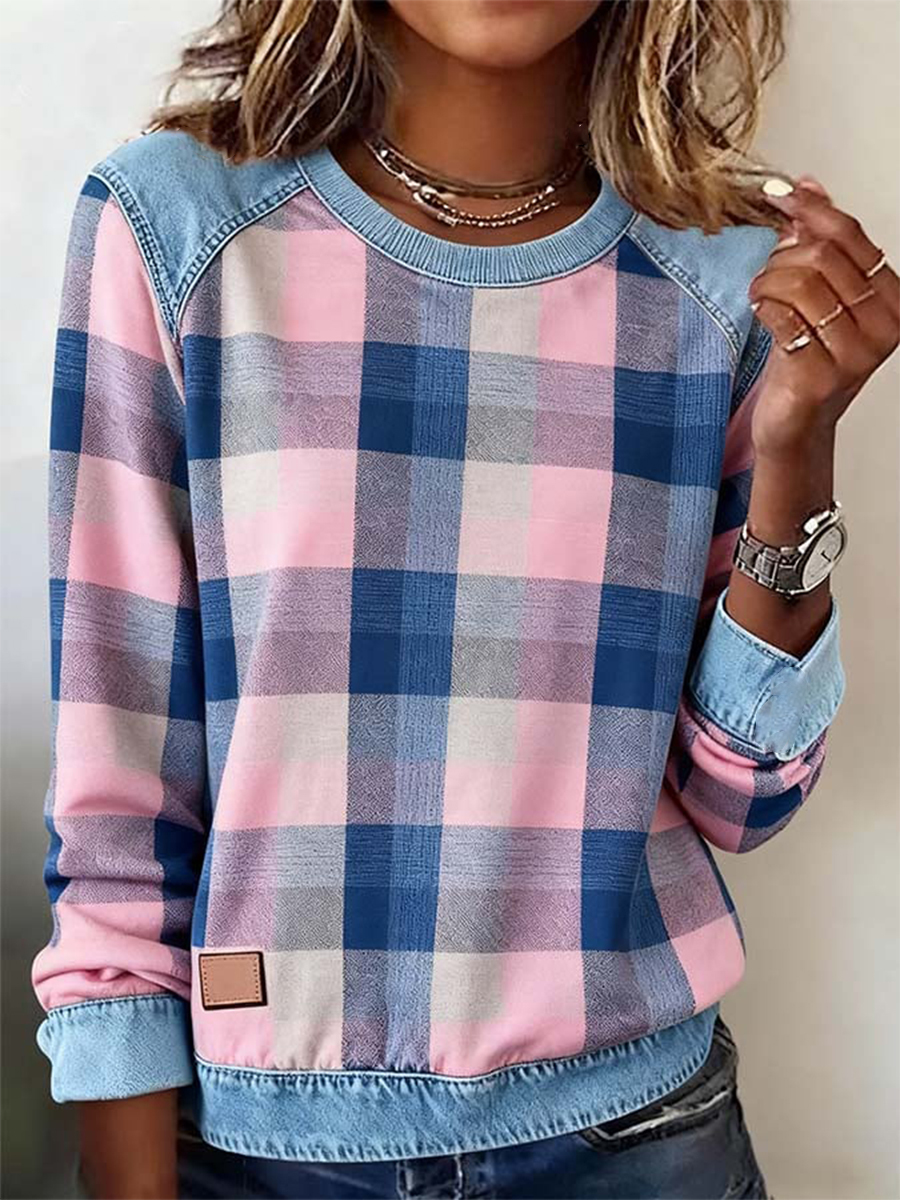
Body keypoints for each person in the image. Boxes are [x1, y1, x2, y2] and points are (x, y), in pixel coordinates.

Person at [30, 1, 898, 1197]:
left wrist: (800, 449)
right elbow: (118, 794)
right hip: (261, 1146)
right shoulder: (175, 226)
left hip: (637, 1134)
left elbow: (743, 800)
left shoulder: (727, 272)